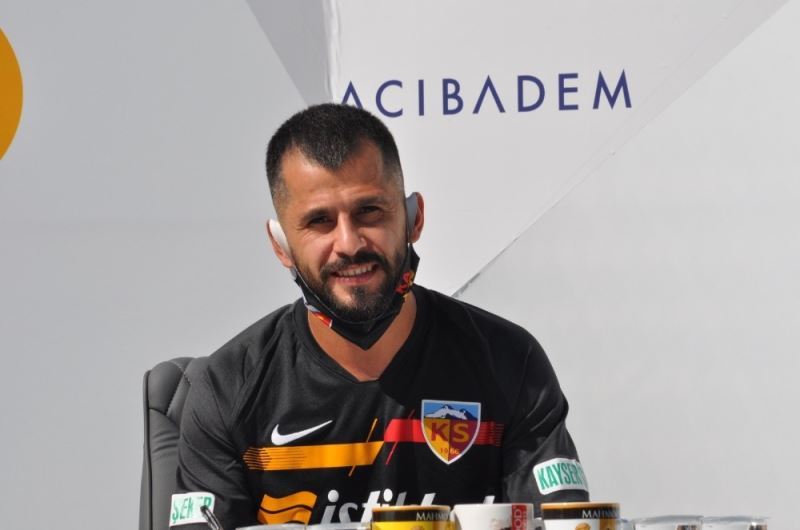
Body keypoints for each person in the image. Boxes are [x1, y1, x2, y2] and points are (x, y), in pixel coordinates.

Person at [171, 104, 588, 529]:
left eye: (369, 211)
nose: (349, 244)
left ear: (414, 219)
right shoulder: (227, 389)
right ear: (281, 245)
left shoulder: (510, 363)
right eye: (319, 221)